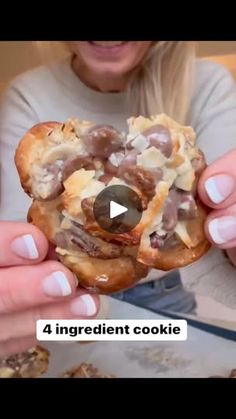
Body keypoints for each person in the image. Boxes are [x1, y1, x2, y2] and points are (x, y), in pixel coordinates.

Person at [0, 41, 236, 357]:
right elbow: (25, 238)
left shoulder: (209, 85)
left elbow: (209, 234)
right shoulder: (28, 94)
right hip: (62, 297)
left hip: (165, 294)